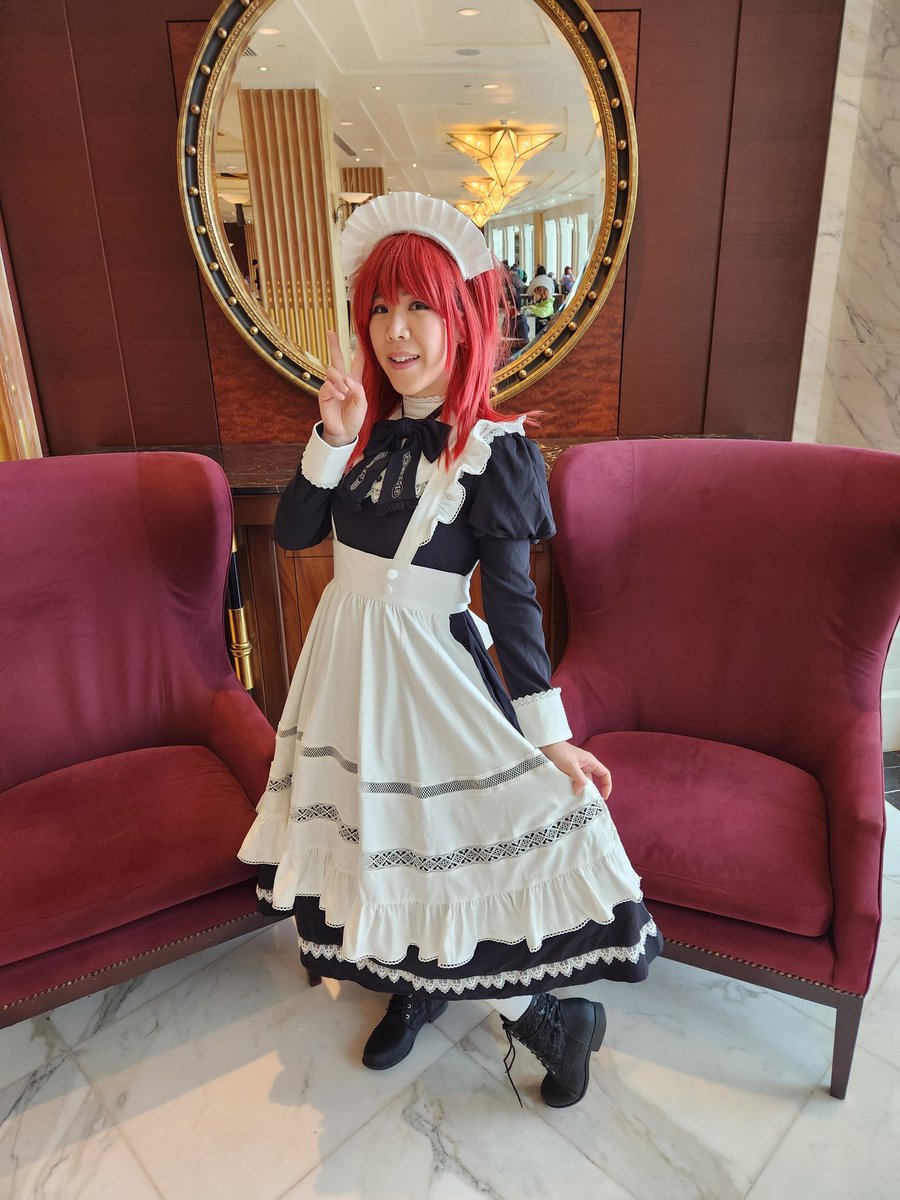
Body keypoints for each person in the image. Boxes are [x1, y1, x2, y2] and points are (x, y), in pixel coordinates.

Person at [238, 192, 661, 1109]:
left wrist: (550, 735)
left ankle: (554, 1022)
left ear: (462, 318)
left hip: (431, 675)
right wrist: (332, 436)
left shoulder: (496, 451)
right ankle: (415, 987)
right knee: (384, 840)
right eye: (380, 309)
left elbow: (512, 602)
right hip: (346, 670)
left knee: (452, 843)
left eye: (419, 307)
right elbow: (296, 536)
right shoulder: (361, 432)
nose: (395, 331)